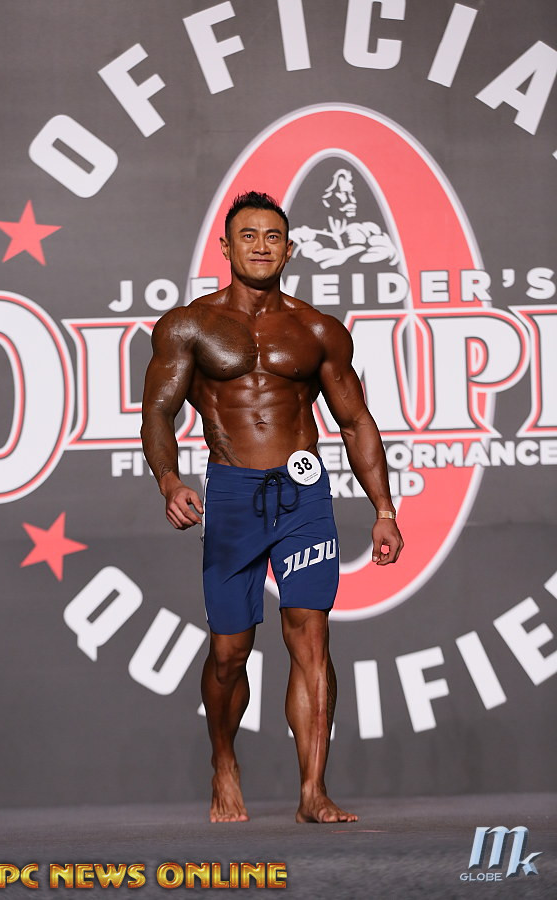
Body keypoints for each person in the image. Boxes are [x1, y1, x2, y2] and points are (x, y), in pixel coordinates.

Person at [141, 191, 403, 824]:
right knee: (229, 651)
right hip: (232, 495)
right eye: (249, 235)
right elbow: (158, 412)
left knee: (310, 635)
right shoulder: (188, 326)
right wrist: (169, 481)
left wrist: (384, 510)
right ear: (226, 247)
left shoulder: (318, 330)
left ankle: (313, 790)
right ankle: (223, 760)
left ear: (290, 249)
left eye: (273, 237)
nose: (261, 246)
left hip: (303, 492)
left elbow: (354, 421)